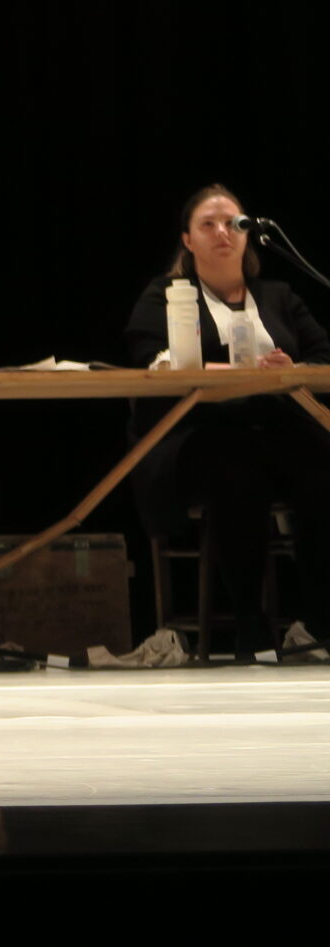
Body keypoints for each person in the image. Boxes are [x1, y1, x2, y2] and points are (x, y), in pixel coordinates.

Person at [120, 184, 330, 659]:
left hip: (274, 432)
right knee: (236, 468)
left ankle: (317, 623)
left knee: (322, 466)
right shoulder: (165, 297)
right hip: (195, 438)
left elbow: (321, 354)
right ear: (188, 240)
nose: (222, 233)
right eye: (208, 224)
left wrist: (289, 370)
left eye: (233, 223)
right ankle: (250, 629)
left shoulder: (278, 295)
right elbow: (154, 361)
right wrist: (237, 373)